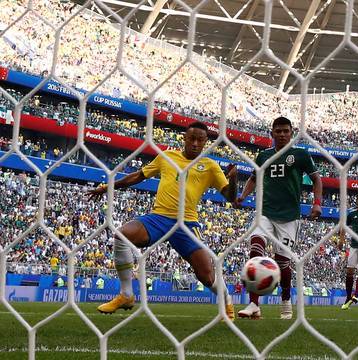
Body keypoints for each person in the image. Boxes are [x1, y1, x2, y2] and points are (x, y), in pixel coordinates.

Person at [87, 121, 238, 319]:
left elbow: (230, 197)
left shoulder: (210, 166)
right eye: (191, 138)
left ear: (205, 143)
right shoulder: (167, 156)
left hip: (187, 224)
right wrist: (108, 186)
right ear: (184, 138)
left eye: (200, 140)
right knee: (122, 235)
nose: (195, 143)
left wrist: (233, 179)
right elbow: (139, 176)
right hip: (159, 218)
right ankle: (126, 294)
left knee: (206, 276)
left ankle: (227, 303)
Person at [235, 116, 323, 320]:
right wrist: (243, 196)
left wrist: (317, 203)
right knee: (255, 252)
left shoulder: (300, 155)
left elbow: (317, 179)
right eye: (278, 131)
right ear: (272, 133)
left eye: (286, 131)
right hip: (265, 212)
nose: (282, 134)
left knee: (282, 263)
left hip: (289, 217)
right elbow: (253, 179)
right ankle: (253, 305)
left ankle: (285, 302)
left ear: (291, 133)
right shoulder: (263, 156)